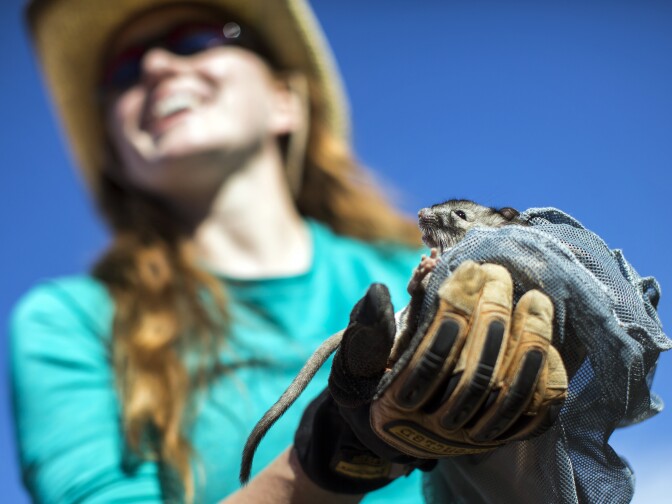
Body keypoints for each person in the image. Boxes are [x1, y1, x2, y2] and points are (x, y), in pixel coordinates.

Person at [11, 0, 667, 503]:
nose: (156, 67)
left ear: (283, 100)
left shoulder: (420, 271)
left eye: (198, 39)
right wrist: (335, 453)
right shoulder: (71, 324)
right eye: (123, 73)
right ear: (118, 153)